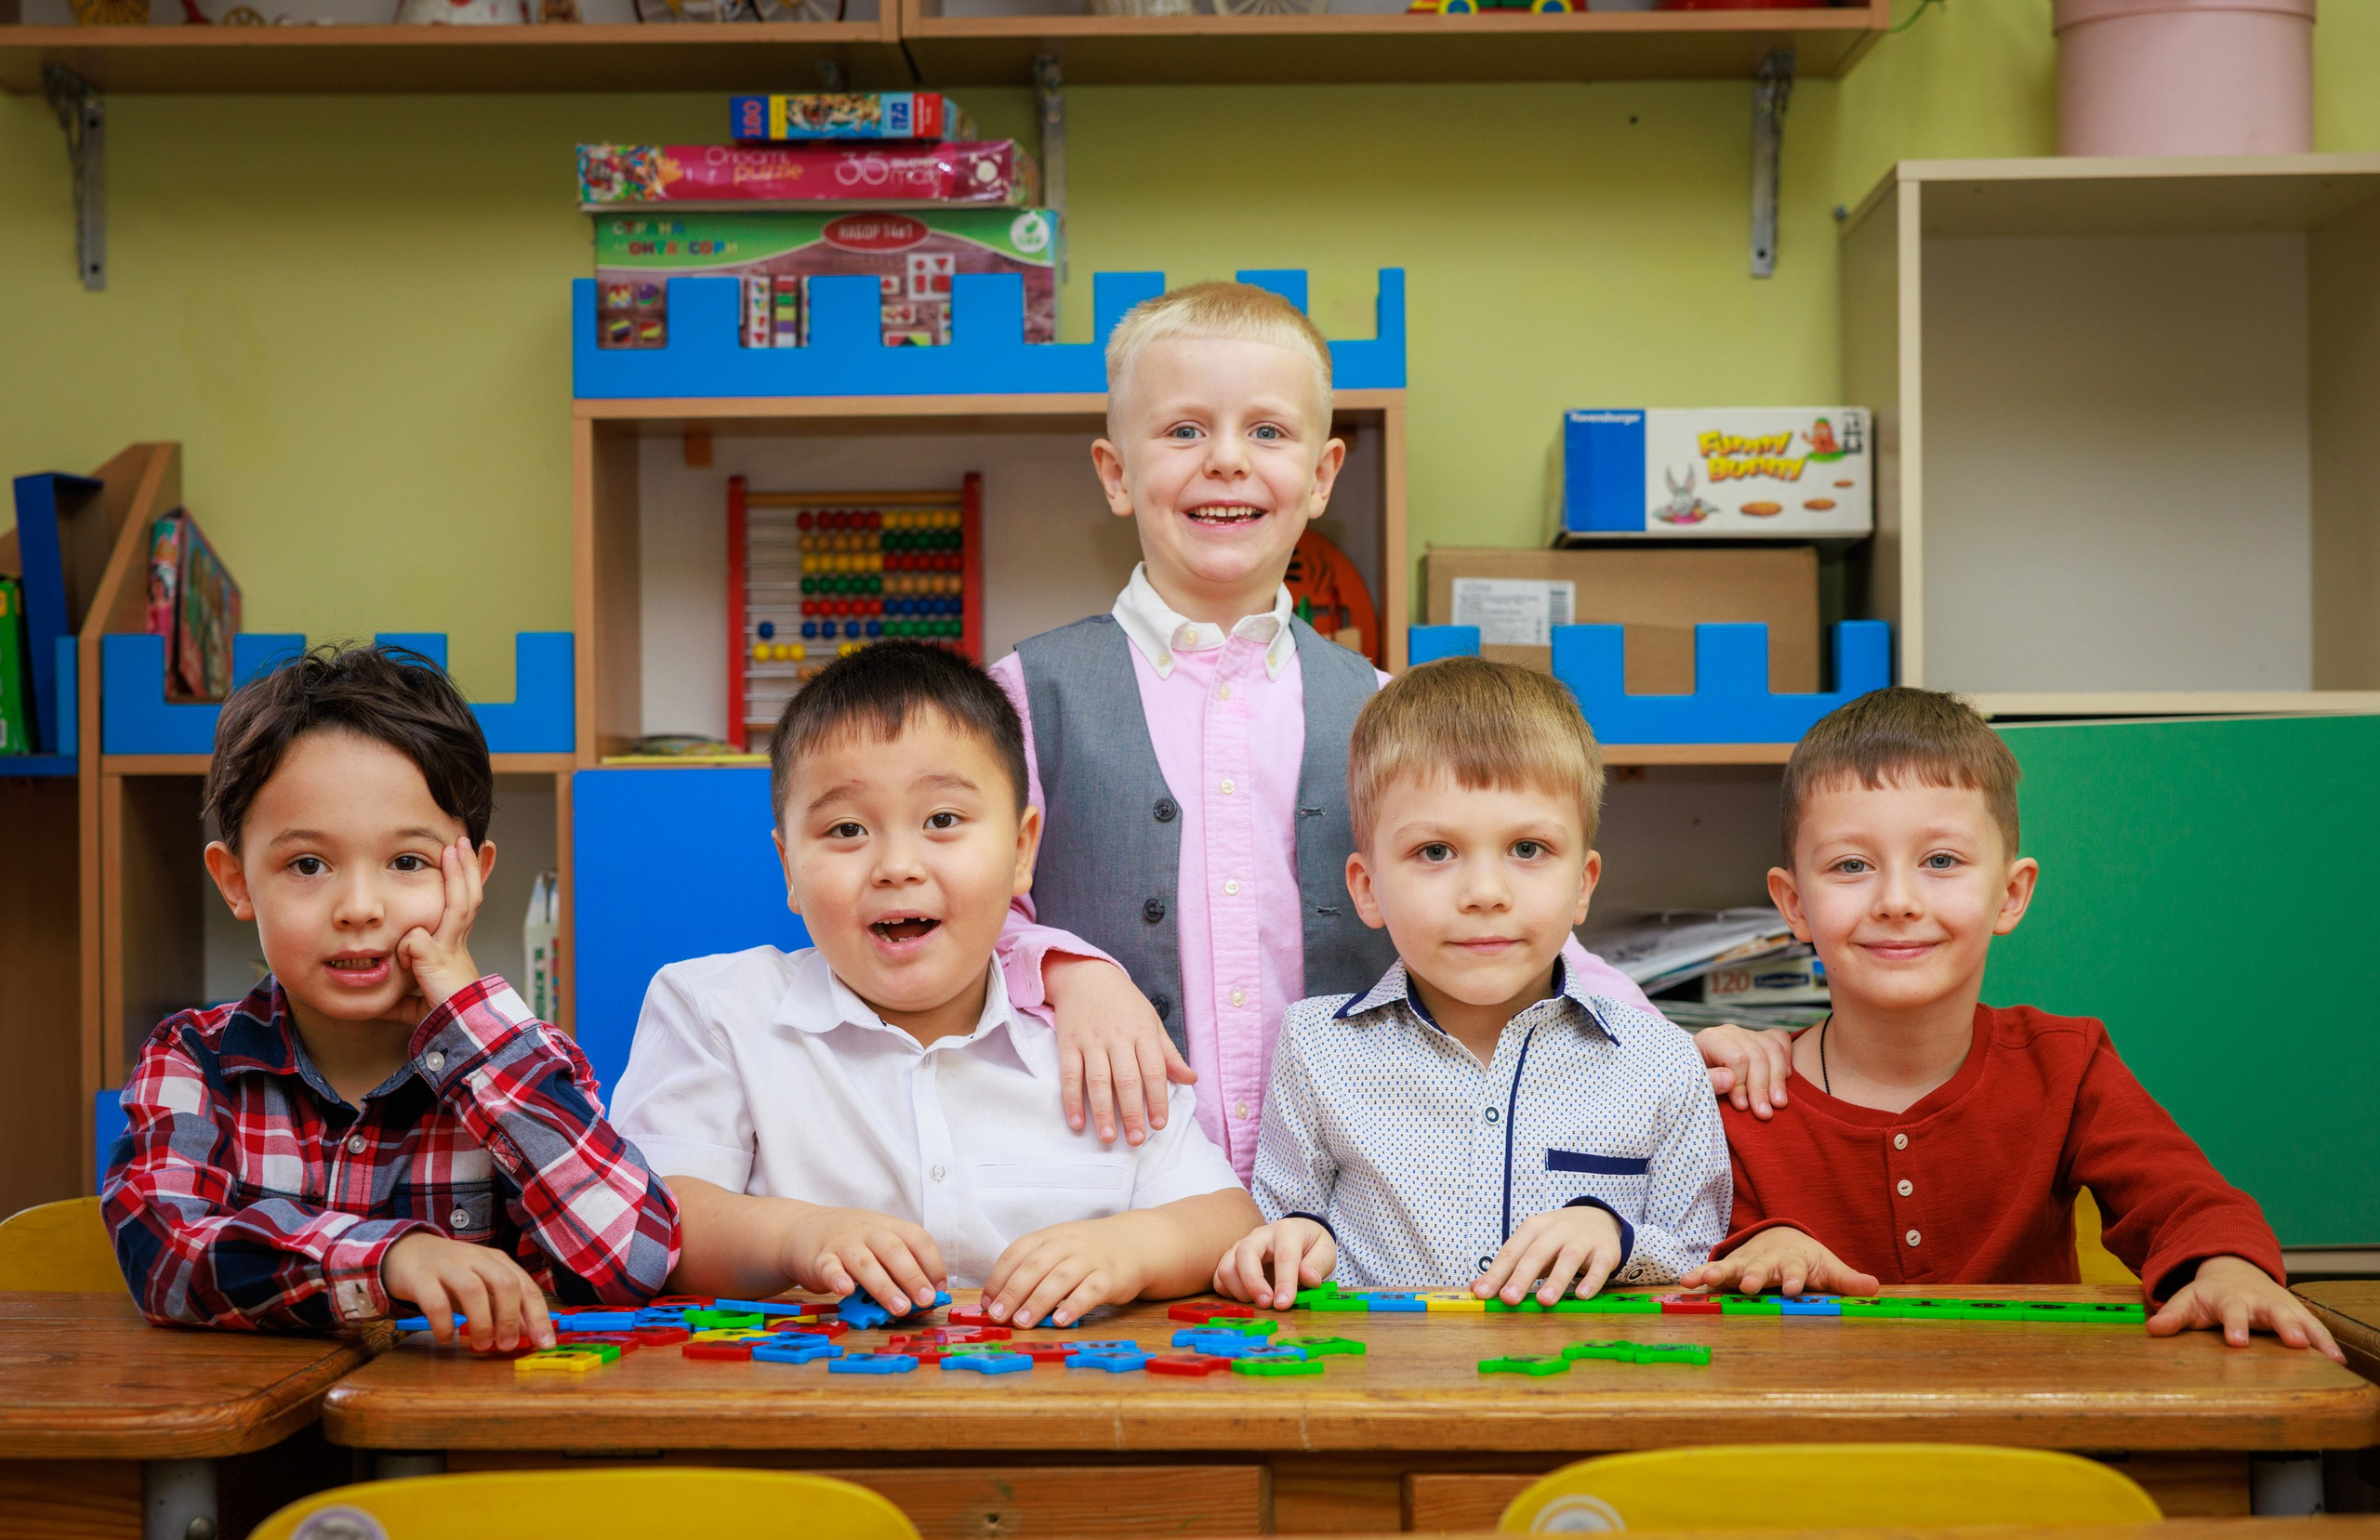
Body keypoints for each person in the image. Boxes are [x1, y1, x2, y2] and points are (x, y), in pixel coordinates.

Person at [990, 280, 1658, 1180]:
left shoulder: (1388, 708)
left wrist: (1669, 1038)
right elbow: (962, 914)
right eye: (1183, 429)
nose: (1226, 460)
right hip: (1104, 1188)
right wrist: (1069, 970)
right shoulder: (1023, 695)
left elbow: (1510, 912)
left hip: (1357, 1202)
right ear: (1115, 473)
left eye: (1267, 431)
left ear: (1321, 475)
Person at [611, 641, 1261, 1329]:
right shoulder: (715, 1010)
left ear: (1020, 850)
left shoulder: (1092, 1037)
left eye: (942, 821)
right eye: (847, 828)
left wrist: (1130, 1248)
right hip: (806, 1419)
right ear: (789, 869)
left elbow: (1226, 1218)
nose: (897, 865)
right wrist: (797, 1237)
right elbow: (654, 1220)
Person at [1679, 688, 2343, 1361]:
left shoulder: (2066, 1064)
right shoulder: (1747, 1091)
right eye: (1851, 865)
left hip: (2037, 1437)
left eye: (1941, 861)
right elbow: (1681, 1262)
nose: (1898, 901)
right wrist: (1760, 1251)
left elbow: (2190, 1203)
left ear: (2011, 893)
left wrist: (2226, 1266)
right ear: (1794, 905)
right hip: (1811, 1444)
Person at [103, 646, 677, 1348]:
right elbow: (162, 1251)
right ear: (235, 881)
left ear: (471, 876)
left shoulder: (521, 1063)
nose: (360, 907)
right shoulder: (193, 1060)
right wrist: (391, 1257)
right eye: (308, 865)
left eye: (407, 862)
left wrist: (467, 1018)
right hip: (261, 1451)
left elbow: (635, 1258)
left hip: (459, 1446)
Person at [1211, 657, 1729, 1309]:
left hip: (1589, 1400)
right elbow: (1284, 1221)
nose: (1485, 893)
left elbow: (1708, 1257)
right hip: (1378, 1397)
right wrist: (1287, 1243)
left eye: (1528, 849)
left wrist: (1619, 1238)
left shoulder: (1661, 1062)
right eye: (1435, 852)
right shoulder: (1315, 1048)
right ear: (1368, 890)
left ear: (1583, 884)